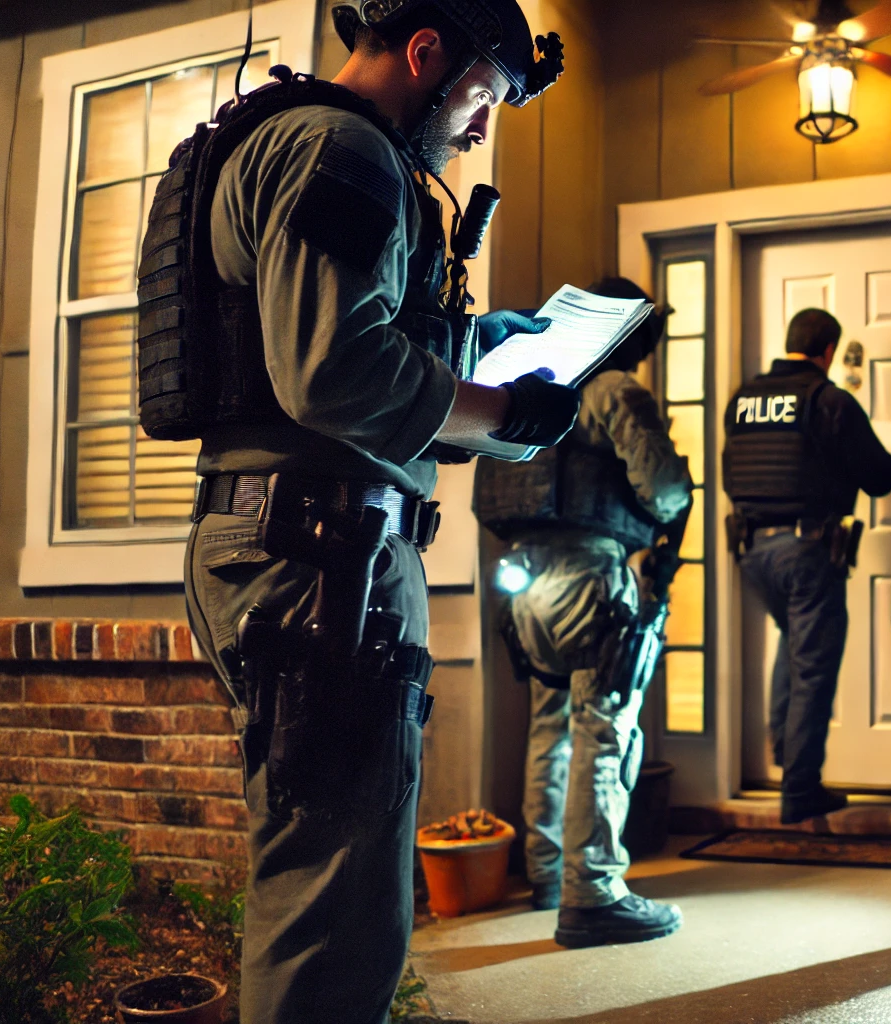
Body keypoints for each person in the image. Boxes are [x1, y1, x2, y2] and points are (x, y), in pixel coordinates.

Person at [159, 2, 575, 1020]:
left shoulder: (300, 138)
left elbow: (337, 341)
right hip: (320, 552)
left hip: (299, 540)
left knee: (328, 871)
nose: (480, 128)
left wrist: (476, 346)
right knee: (333, 906)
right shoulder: (343, 148)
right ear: (429, 53)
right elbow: (330, 369)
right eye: (486, 95)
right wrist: (507, 407)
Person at [475, 277, 693, 947]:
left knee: (551, 726)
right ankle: (593, 891)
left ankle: (546, 874)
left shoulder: (535, 381)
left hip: (522, 578)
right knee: (605, 731)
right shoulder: (613, 390)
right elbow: (663, 489)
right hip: (590, 574)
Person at [722, 308, 891, 824]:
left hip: (752, 551)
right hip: (806, 551)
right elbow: (881, 477)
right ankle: (800, 790)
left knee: (794, 645)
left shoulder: (744, 399)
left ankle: (784, 753)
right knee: (813, 667)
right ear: (827, 351)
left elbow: (731, 471)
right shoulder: (828, 401)